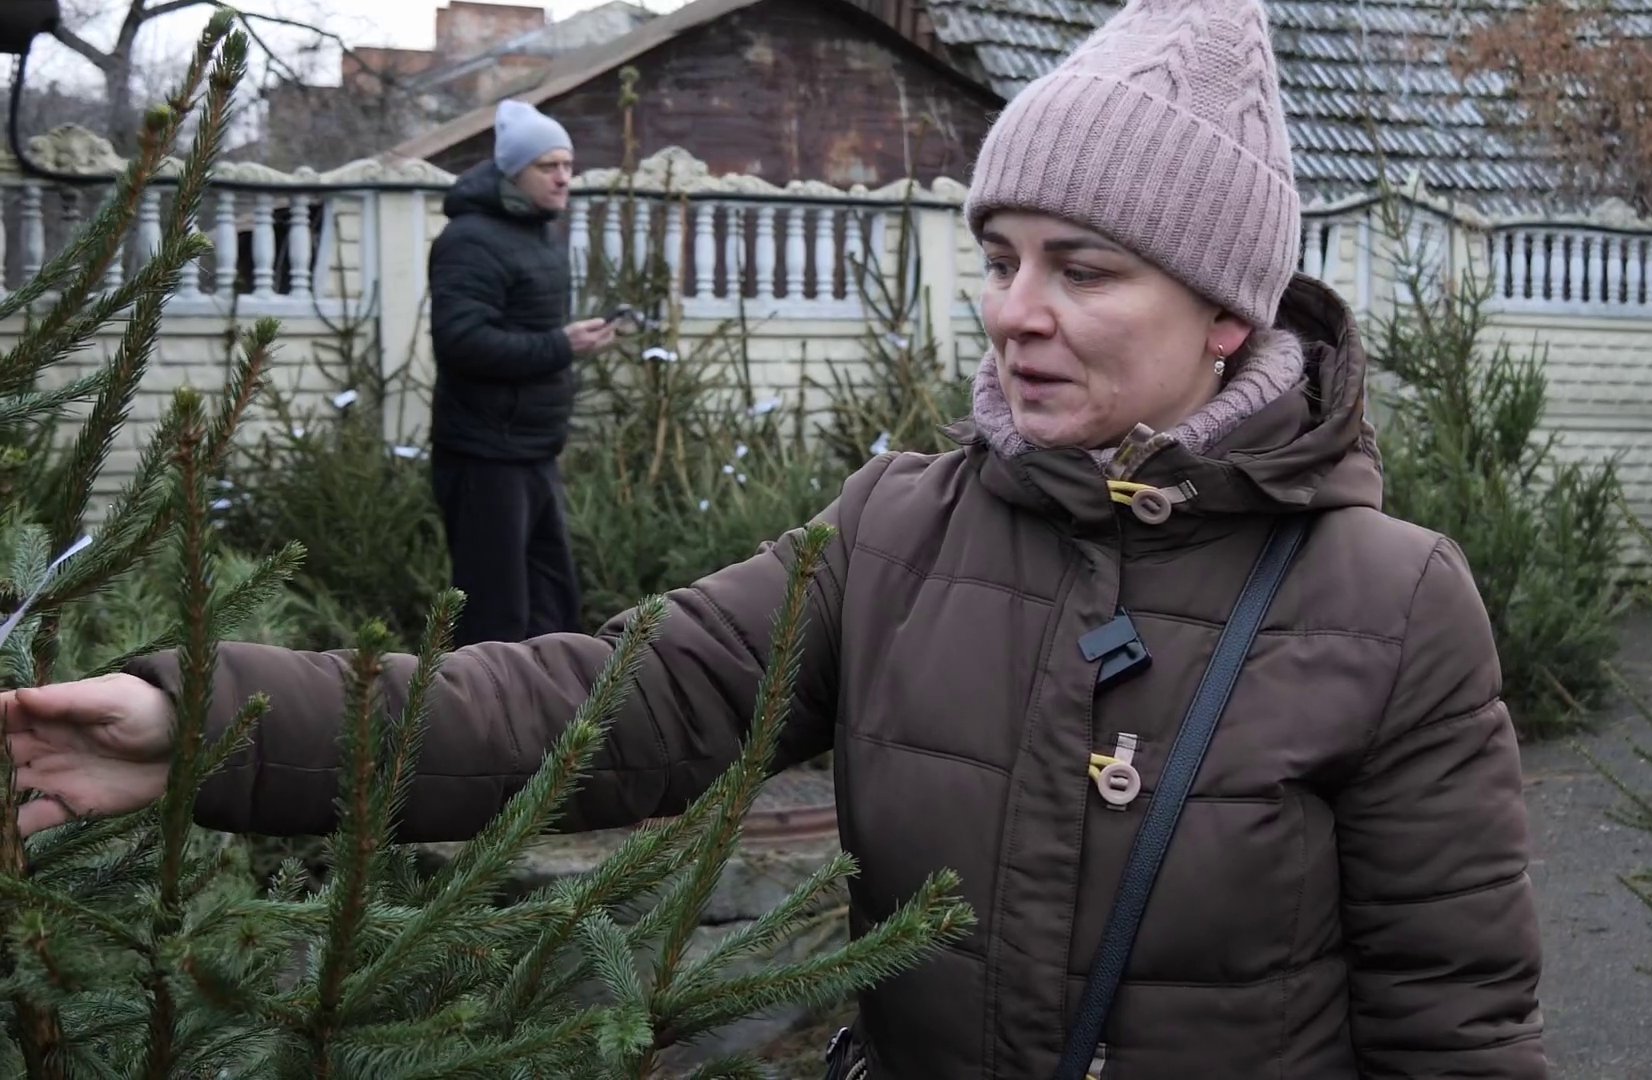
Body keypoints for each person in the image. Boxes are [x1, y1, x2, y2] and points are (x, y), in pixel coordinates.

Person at [1, 1, 1545, 1075]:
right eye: (1000, 256)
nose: (1014, 312)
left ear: (1226, 315)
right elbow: (589, 709)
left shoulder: (1388, 603)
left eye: (1083, 269)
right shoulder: (895, 532)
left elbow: (1454, 1024)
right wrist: (210, 728)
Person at [427, 99, 617, 646]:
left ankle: (556, 726)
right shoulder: (470, 240)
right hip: (484, 457)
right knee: (495, 617)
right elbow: (462, 342)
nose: (563, 178)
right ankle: (481, 728)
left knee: (554, 609)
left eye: (567, 165)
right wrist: (560, 345)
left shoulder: (535, 232)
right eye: (548, 166)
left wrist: (568, 345)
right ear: (513, 171)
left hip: (533, 450)